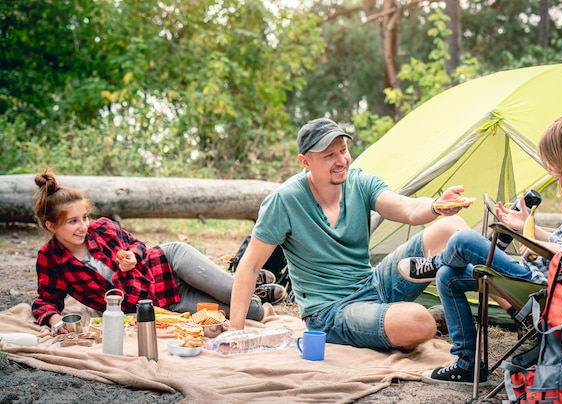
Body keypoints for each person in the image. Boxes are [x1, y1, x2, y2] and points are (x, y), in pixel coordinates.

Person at [398, 115, 562, 385]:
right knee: (448, 277)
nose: (550, 169)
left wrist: (536, 246)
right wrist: (527, 227)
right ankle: (467, 365)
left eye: (553, 162)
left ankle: (432, 264)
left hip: (548, 284)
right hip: (543, 274)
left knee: (463, 240)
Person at [228, 117, 472, 352]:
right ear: (305, 162)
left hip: (373, 284)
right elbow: (249, 265)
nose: (341, 160)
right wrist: (235, 331)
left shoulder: (360, 182)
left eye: (343, 150)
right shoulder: (284, 201)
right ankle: (397, 320)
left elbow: (408, 209)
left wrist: (436, 206)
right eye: (329, 156)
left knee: (452, 226)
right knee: (420, 322)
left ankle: (510, 303)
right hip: (331, 310)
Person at [31, 171, 285, 335]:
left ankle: (242, 281)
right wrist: (55, 321)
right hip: (166, 301)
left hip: (170, 262)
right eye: (72, 222)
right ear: (52, 226)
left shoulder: (103, 228)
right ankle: (253, 287)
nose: (83, 226)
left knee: (233, 293)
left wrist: (134, 256)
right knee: (253, 313)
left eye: (84, 217)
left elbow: (138, 245)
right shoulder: (50, 259)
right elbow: (45, 301)